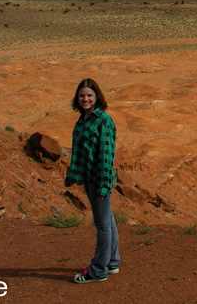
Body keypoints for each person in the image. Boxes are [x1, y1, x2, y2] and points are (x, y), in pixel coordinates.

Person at [64, 78, 120, 283]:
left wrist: (104, 184)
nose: (85, 99)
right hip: (89, 177)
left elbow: (106, 155)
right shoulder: (84, 118)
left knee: (103, 224)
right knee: (108, 220)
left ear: (97, 97)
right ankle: (112, 262)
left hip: (99, 178)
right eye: (82, 95)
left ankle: (98, 270)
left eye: (89, 95)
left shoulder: (103, 120)